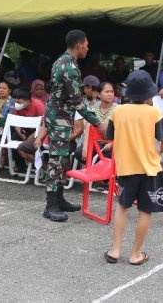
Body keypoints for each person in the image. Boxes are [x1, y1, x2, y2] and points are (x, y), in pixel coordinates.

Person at [34, 29, 105, 222]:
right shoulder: (70, 68)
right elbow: (77, 101)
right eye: (87, 44)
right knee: (57, 160)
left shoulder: (62, 61)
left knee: (62, 158)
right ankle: (51, 206)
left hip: (59, 116)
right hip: (59, 118)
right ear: (79, 44)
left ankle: (59, 199)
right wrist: (98, 123)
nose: (88, 47)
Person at [104, 70, 163, 265]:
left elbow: (113, 138)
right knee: (145, 211)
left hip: (126, 168)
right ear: (149, 93)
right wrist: (154, 155)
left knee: (122, 207)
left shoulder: (117, 111)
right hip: (150, 169)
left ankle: (115, 250)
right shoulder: (155, 113)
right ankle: (135, 254)